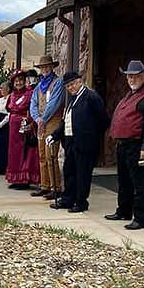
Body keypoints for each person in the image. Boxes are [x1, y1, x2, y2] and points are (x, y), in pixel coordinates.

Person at [105, 60, 144, 230]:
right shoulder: (129, 96)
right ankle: (124, 210)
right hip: (124, 145)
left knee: (140, 184)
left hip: (137, 145)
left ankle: (141, 218)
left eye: (136, 76)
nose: (132, 79)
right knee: (124, 181)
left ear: (143, 77)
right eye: (130, 76)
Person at [46, 71, 110, 212]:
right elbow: (65, 121)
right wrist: (54, 135)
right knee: (70, 171)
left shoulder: (91, 97)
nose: (71, 87)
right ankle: (68, 199)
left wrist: (91, 135)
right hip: (70, 142)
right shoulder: (72, 100)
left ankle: (81, 202)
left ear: (80, 81)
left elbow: (104, 120)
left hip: (85, 144)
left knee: (82, 174)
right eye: (68, 86)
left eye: (73, 84)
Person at [29, 55, 65, 200]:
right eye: (42, 67)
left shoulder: (58, 83)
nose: (44, 69)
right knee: (42, 155)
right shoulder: (39, 86)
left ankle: (56, 187)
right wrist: (37, 118)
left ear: (52, 67)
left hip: (53, 121)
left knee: (51, 155)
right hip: (41, 123)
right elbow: (33, 103)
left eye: (46, 67)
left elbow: (54, 104)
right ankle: (45, 185)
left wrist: (42, 119)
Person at [5, 70, 40, 189]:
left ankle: (24, 179)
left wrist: (31, 123)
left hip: (24, 123)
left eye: (20, 80)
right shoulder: (12, 95)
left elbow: (33, 108)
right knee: (14, 152)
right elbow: (9, 108)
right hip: (13, 126)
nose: (18, 83)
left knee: (24, 151)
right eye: (16, 81)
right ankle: (16, 178)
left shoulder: (30, 93)